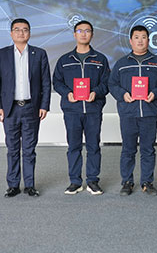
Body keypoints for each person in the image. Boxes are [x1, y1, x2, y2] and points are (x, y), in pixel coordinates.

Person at [109, 25, 157, 196]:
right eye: (136, 37)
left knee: (148, 149)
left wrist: (155, 93)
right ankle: (127, 182)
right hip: (128, 113)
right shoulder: (121, 63)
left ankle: (147, 182)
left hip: (149, 113)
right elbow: (112, 84)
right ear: (131, 41)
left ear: (148, 40)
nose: (140, 40)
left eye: (143, 37)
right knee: (128, 149)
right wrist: (122, 95)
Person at [0, 18, 51, 198]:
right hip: (10, 109)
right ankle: (13, 185)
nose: (21, 33)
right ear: (11, 33)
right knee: (12, 148)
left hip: (32, 108)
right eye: (17, 29)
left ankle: (30, 185)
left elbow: (46, 82)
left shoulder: (39, 54)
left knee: (29, 149)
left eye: (25, 29)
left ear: (29, 33)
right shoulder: (2, 54)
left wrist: (44, 105)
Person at [52, 20, 110, 195]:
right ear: (74, 34)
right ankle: (75, 181)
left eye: (87, 31)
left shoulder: (100, 59)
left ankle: (93, 181)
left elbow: (107, 82)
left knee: (93, 146)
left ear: (92, 34)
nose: (83, 34)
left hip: (93, 110)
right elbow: (57, 82)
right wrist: (67, 93)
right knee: (73, 146)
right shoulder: (64, 60)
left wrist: (96, 93)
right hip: (72, 110)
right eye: (80, 31)